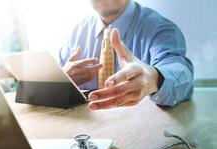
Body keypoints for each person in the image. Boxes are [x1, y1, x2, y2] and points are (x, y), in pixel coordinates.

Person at [58, 0, 193, 110]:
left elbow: (181, 74)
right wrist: (63, 81)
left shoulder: (160, 28)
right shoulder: (76, 33)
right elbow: (53, 79)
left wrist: (155, 78)